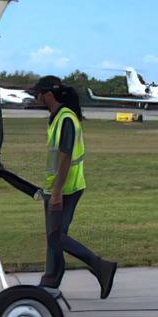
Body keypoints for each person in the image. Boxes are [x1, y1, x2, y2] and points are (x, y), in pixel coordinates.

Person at [31, 75, 117, 298]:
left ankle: (100, 266)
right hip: (64, 186)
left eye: (38, 93)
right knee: (56, 236)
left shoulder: (65, 119)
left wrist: (57, 192)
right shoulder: (58, 117)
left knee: (56, 237)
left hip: (65, 188)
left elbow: (66, 156)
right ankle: (50, 282)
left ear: (48, 94)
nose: (37, 98)